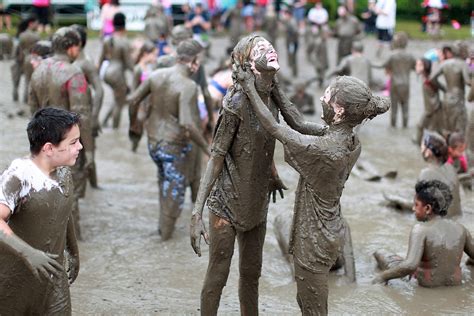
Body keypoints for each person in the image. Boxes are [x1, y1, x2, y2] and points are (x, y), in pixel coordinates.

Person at [189, 34, 330, 315]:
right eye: (261, 49)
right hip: (226, 205)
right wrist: (196, 212)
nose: (271, 49)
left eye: (270, 45)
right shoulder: (236, 102)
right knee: (218, 277)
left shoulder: (273, 90)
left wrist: (333, 131)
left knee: (251, 275)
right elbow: (216, 156)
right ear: (249, 64)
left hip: (257, 202)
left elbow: (298, 123)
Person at [235, 72, 389, 315]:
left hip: (313, 242)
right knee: (307, 302)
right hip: (328, 231)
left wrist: (249, 88)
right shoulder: (347, 138)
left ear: (338, 111)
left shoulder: (326, 150)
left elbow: (274, 128)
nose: (321, 97)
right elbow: (298, 123)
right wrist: (274, 88)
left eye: (326, 95)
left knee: (313, 308)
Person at [0, 107, 81, 314]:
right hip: (13, 279)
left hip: (53, 279)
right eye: (73, 143)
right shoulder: (18, 175)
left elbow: (64, 210)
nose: (80, 147)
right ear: (48, 148)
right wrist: (29, 254)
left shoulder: (63, 171)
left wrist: (73, 251)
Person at [128, 39, 210, 240]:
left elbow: (133, 100)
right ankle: (164, 240)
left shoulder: (156, 75)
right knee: (174, 195)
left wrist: (135, 127)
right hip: (173, 147)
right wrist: (209, 150)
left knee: (165, 184)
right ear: (194, 62)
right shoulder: (189, 85)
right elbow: (188, 124)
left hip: (153, 142)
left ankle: (161, 229)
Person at [29, 27, 94, 239]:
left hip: (43, 146)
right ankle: (75, 242)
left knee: (46, 192)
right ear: (72, 47)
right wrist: (90, 151)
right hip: (67, 145)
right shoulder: (74, 73)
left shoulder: (37, 71)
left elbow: (33, 114)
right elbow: (82, 116)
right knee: (69, 195)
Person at [373, 180, 474, 287]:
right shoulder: (461, 229)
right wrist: (468, 263)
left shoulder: (420, 229)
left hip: (427, 285)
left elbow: (410, 265)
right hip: (455, 285)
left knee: (381, 253)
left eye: (416, 205)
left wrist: (381, 277)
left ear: (427, 208)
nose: (413, 209)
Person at [384, 131, 462, 218]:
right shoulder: (451, 168)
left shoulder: (426, 174)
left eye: (422, 146)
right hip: (457, 217)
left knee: (390, 206)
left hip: (441, 222)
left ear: (429, 152)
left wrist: (398, 200)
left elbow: (419, 206)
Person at [71, 24, 104, 191]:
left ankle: (92, 185)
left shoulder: (85, 63)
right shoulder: (71, 61)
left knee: (87, 150)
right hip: (74, 111)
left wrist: (95, 116)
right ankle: (92, 185)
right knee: (82, 151)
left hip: (86, 111)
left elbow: (100, 90)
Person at [98, 12, 133, 129]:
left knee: (118, 99)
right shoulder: (124, 41)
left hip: (107, 73)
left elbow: (100, 59)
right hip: (117, 74)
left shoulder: (107, 39)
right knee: (120, 103)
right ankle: (115, 129)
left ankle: (104, 121)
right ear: (124, 26)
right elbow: (129, 64)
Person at [429, 45, 471, 135]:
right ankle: (459, 147)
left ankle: (449, 146)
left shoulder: (444, 63)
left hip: (447, 97)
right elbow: (467, 81)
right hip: (458, 99)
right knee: (460, 126)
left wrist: (443, 88)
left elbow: (432, 78)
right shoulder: (463, 64)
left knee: (448, 127)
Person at [379, 32, 416, 128]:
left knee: (394, 109)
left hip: (394, 84)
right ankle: (405, 127)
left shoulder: (392, 55)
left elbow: (382, 65)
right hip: (406, 84)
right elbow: (416, 68)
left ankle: (393, 127)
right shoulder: (410, 56)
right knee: (405, 108)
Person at [130, 40, 157, 151]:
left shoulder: (151, 68)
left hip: (150, 104)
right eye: (154, 54)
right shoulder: (138, 69)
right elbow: (134, 92)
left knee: (152, 131)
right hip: (141, 106)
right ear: (146, 54)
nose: (156, 57)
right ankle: (134, 149)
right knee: (139, 131)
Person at [415, 58, 445, 144]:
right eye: (416, 65)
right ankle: (419, 145)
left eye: (419, 65)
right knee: (426, 128)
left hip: (433, 109)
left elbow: (441, 88)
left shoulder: (430, 79)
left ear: (425, 66)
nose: (416, 67)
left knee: (433, 130)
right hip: (430, 109)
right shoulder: (424, 77)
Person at [11, 16, 40, 103]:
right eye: (36, 23)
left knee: (16, 82)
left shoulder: (20, 35)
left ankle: (15, 97)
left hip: (20, 60)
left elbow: (16, 50)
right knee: (28, 81)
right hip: (31, 60)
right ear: (31, 24)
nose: (38, 25)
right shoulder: (36, 36)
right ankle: (26, 100)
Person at [281, 6, 299, 77]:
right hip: (290, 41)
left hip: (292, 42)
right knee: (291, 56)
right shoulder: (288, 21)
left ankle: (294, 72)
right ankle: (293, 70)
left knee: (293, 56)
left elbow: (294, 31)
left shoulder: (292, 21)